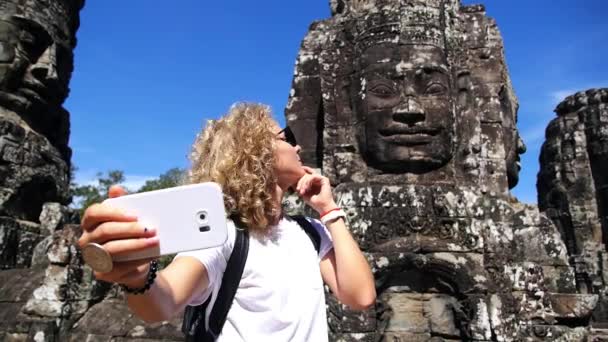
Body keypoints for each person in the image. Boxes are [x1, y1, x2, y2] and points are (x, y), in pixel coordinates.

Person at [77, 102, 376, 341]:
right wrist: (138, 278)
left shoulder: (311, 231)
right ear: (256, 151)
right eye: (288, 137)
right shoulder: (222, 236)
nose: (298, 148)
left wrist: (329, 209)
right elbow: (163, 301)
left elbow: (361, 296)